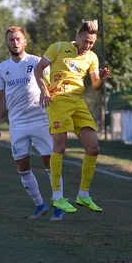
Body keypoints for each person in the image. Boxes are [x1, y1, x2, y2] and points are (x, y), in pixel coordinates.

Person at [33, 20, 112, 215]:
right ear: (77, 37)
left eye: (91, 42)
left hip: (78, 102)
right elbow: (38, 69)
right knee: (60, 146)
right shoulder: (59, 47)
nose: (88, 46)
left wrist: (101, 79)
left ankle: (83, 195)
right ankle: (57, 197)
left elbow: (95, 85)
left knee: (93, 148)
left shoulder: (92, 57)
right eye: (85, 41)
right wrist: (44, 90)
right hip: (58, 100)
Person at [0, 26, 65, 221]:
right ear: (6, 43)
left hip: (40, 120)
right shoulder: (1, 68)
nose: (14, 43)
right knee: (23, 169)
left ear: (24, 41)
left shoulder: (37, 63)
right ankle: (40, 205)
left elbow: (52, 87)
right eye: (10, 40)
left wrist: (49, 96)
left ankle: (58, 205)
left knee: (50, 165)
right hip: (17, 125)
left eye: (17, 39)